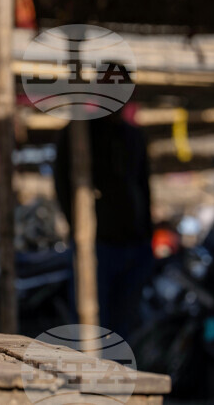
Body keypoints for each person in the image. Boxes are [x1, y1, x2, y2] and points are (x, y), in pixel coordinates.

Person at [54, 105, 153, 342]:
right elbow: (62, 184)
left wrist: (146, 235)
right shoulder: (80, 131)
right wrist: (79, 228)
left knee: (123, 327)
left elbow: (143, 186)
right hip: (97, 246)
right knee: (92, 326)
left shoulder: (133, 135)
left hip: (133, 244)